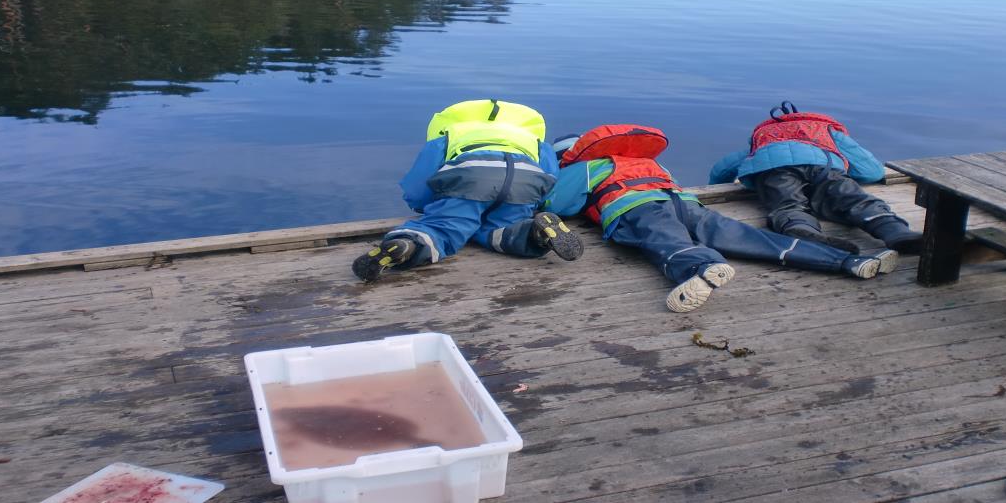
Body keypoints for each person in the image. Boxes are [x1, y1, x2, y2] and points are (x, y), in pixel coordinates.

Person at [542, 124, 887, 313]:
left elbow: (558, 202)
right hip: (684, 202)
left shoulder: (586, 167)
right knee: (742, 235)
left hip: (636, 206)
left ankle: (701, 267)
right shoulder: (649, 162)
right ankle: (848, 260)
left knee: (666, 241)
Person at [352, 99, 583, 283]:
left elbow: (420, 183)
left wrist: (426, 205)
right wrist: (535, 204)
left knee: (444, 228)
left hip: (471, 176)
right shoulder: (533, 140)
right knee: (501, 229)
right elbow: (551, 178)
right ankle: (533, 232)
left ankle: (409, 244)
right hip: (525, 179)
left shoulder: (450, 134)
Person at [709, 101, 923, 255]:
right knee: (852, 197)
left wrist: (715, 189)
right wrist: (849, 173)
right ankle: (892, 229)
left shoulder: (763, 137)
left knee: (787, 204)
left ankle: (800, 227)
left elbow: (722, 168)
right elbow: (872, 172)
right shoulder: (826, 130)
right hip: (823, 164)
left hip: (773, 168)